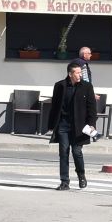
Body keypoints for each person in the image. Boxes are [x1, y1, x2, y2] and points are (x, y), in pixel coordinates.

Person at [46, 58, 99, 190]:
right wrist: (51, 125)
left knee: (77, 152)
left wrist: (92, 124)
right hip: (63, 125)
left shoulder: (87, 87)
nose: (80, 75)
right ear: (70, 74)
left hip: (80, 126)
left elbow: (92, 108)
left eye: (81, 72)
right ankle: (64, 182)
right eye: (77, 73)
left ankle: (81, 175)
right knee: (63, 152)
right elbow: (54, 106)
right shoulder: (60, 86)